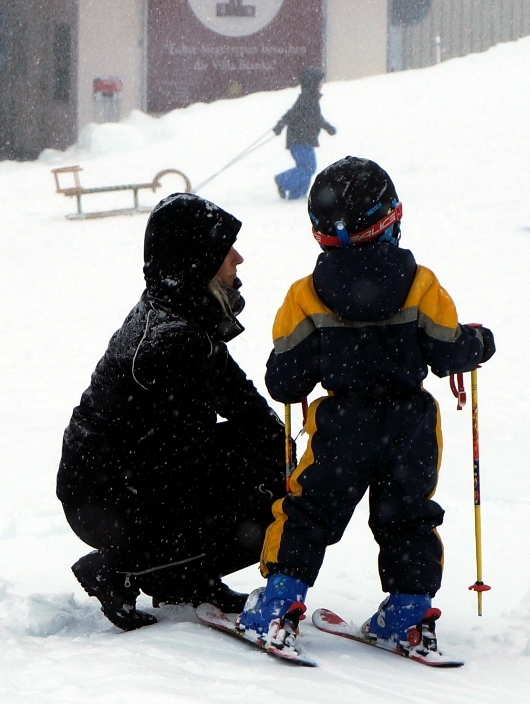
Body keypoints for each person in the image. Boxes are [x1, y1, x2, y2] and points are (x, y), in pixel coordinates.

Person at [236, 157, 496, 659]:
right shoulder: (421, 284)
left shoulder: (307, 295)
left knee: (309, 511)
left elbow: (285, 380)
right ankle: (408, 614)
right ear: (391, 218)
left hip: (342, 428)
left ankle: (280, 603)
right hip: (411, 426)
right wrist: (478, 343)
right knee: (409, 517)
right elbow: (448, 351)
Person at [57, 193, 288, 631]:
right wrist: (277, 484)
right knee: (264, 503)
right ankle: (121, 569)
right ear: (196, 261)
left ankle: (184, 574)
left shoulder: (185, 314)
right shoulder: (170, 343)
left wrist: (286, 455)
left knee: (273, 473)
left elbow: (242, 404)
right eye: (225, 251)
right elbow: (180, 464)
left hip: (127, 476)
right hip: (103, 496)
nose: (238, 258)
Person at [273, 67, 337, 200]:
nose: (321, 85)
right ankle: (283, 181)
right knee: (308, 168)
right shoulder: (306, 99)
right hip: (299, 139)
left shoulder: (310, 99)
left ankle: (297, 196)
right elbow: (292, 114)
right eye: (319, 82)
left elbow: (317, 118)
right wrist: (280, 124)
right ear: (312, 83)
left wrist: (327, 127)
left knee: (306, 168)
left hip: (304, 139)